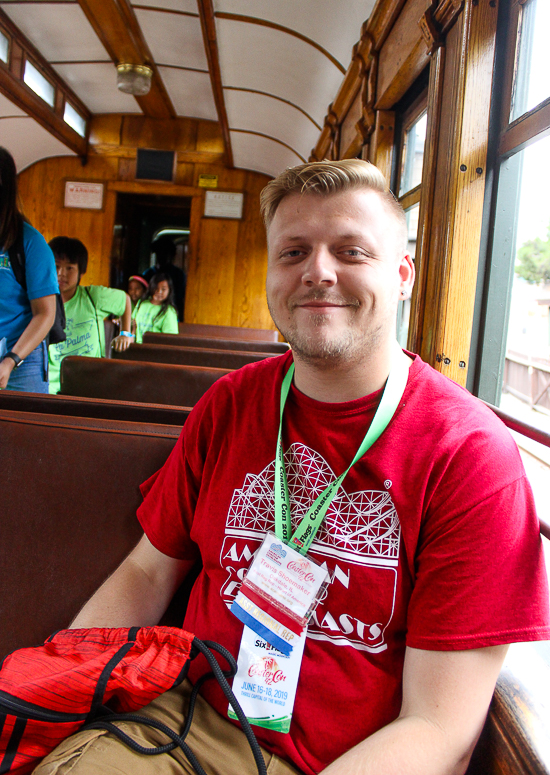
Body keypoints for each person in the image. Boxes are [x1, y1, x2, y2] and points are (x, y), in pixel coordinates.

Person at [36, 160, 550, 775]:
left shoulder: (470, 455)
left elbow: (438, 726)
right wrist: (54, 690)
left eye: (352, 251)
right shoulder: (229, 405)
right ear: (272, 274)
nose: (318, 272)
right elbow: (148, 573)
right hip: (182, 722)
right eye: (293, 252)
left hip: (345, 759)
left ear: (402, 274)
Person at [0, 146, 57, 393]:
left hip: (21, 358)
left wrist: (11, 359)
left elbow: (45, 313)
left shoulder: (30, 243)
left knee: (22, 429)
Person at [47, 237, 133, 394]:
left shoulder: (93, 297)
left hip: (90, 382)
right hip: (52, 387)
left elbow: (124, 300)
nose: (61, 274)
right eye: (56, 267)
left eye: (69, 268)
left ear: (81, 270)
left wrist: (125, 333)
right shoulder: (43, 302)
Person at [142, 235, 186, 321]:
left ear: (171, 256)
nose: (163, 256)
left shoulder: (179, 275)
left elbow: (181, 300)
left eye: (166, 253)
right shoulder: (148, 274)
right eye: (160, 253)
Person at [133, 272, 179, 343]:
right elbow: (133, 322)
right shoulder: (142, 303)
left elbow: (170, 339)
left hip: (155, 350)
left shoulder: (169, 311)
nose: (159, 292)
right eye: (156, 288)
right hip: (137, 347)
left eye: (163, 289)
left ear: (169, 291)